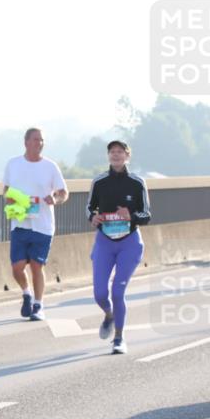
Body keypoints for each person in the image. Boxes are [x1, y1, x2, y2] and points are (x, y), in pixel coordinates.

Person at [86, 140, 151, 354]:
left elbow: (147, 215)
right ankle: (109, 315)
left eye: (120, 152)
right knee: (99, 294)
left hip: (129, 243)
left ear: (127, 156)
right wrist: (93, 218)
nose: (116, 155)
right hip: (105, 241)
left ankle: (119, 338)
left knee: (117, 291)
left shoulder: (137, 182)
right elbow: (89, 208)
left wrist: (130, 216)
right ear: (108, 156)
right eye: (112, 152)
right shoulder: (99, 181)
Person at [2, 127, 68, 321]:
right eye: (36, 139)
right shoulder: (13, 164)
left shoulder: (50, 166)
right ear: (26, 142)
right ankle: (26, 293)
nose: (39, 143)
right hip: (20, 222)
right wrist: (12, 199)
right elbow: (6, 190)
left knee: (37, 266)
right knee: (17, 267)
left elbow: (63, 192)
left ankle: (38, 306)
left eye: (42, 140)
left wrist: (55, 198)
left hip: (43, 225)